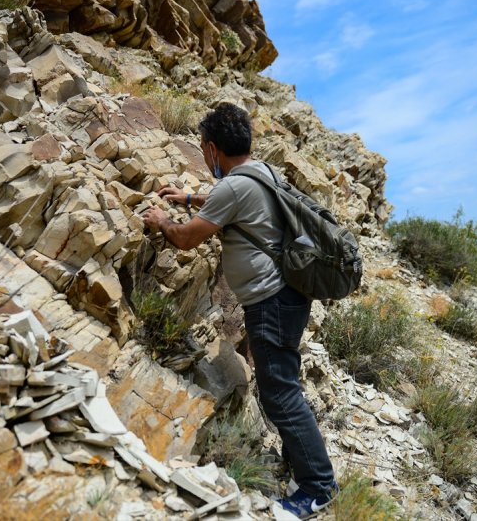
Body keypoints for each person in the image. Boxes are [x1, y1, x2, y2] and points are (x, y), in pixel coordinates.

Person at [142, 102, 338, 519]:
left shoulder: (233, 187)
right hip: (288, 297)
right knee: (283, 385)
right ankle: (301, 465)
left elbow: (186, 239)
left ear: (212, 149)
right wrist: (190, 197)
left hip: (271, 303)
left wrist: (161, 220)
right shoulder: (261, 171)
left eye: (202, 149)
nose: (204, 155)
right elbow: (234, 203)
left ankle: (318, 486)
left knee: (280, 393)